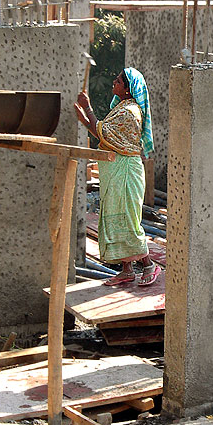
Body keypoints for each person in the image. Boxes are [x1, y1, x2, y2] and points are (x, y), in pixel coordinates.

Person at [74, 68, 161, 287]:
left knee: (127, 218)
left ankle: (149, 264)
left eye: (119, 80)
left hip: (125, 170)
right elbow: (105, 134)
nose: (114, 81)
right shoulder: (121, 108)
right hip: (117, 169)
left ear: (128, 89)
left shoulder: (129, 112)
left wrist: (88, 109)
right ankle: (127, 270)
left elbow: (104, 132)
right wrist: (85, 119)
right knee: (116, 215)